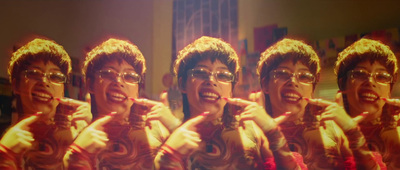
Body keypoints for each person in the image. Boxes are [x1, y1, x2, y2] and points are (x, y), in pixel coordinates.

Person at [154, 36, 303, 169]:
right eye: (200, 72)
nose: (211, 81)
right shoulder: (168, 139)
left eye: (223, 75)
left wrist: (273, 133)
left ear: (231, 89)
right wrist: (166, 159)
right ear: (182, 84)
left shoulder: (253, 132)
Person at [256, 38, 384, 169]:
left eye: (304, 76)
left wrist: (353, 133)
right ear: (265, 84)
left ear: (312, 90)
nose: (293, 81)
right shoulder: (253, 134)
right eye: (283, 73)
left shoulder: (332, 129)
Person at [63, 38, 180, 169]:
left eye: (129, 76)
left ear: (137, 90)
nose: (118, 82)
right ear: (90, 84)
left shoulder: (156, 131)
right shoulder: (71, 133)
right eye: (108, 74)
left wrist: (176, 127)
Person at [0, 38, 91, 169]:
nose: (44, 81)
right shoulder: (4, 140)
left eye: (55, 77)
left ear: (62, 90)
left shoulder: (78, 136)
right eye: (33, 73)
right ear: (16, 85)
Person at [335, 38, 400, 169]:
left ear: (389, 90)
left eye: (382, 76)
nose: (370, 82)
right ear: (342, 84)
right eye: (359, 74)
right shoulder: (327, 131)